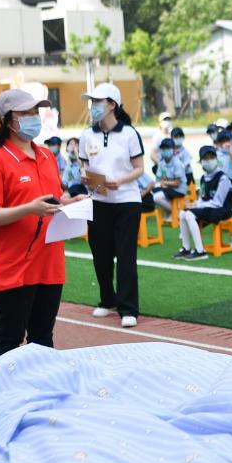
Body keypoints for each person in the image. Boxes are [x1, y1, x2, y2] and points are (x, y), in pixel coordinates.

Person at [0, 89, 83, 361]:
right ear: (7, 120)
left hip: (49, 262)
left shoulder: (47, 156)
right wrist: (29, 209)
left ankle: (42, 395)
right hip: (15, 265)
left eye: (35, 112)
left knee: (43, 337)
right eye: (25, 113)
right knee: (9, 338)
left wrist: (71, 202)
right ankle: (3, 398)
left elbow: (51, 202)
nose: (33, 118)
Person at [78, 83, 144, 329]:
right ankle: (107, 299)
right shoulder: (87, 135)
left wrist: (121, 180)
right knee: (101, 254)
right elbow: (84, 165)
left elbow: (139, 168)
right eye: (92, 101)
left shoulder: (129, 134)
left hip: (126, 201)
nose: (93, 106)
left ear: (112, 105)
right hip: (98, 201)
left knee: (126, 256)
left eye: (98, 101)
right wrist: (85, 177)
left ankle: (129, 308)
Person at [174, 145, 232, 262]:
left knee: (189, 214)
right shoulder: (204, 178)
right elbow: (203, 198)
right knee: (182, 213)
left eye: (211, 157)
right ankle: (186, 248)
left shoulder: (222, 178)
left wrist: (198, 206)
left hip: (222, 210)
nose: (208, 161)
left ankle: (200, 251)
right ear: (201, 162)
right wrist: (195, 204)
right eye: (205, 158)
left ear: (216, 159)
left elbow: (218, 202)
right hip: (210, 208)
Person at [152, 138, 188, 215]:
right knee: (151, 193)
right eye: (163, 148)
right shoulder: (161, 163)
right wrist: (163, 183)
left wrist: (165, 183)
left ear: (174, 150)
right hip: (168, 188)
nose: (165, 150)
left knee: (157, 197)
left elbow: (177, 183)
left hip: (178, 190)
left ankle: (177, 213)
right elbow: (160, 179)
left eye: (167, 148)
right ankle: (173, 210)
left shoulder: (177, 163)